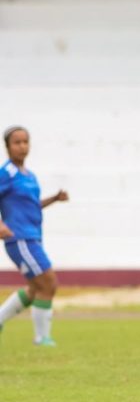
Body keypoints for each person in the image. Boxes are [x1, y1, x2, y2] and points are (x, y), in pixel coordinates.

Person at [0, 126, 68, 346]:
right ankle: (42, 338)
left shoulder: (29, 176)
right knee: (49, 283)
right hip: (20, 239)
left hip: (33, 237)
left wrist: (54, 199)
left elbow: (31, 206)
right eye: (17, 142)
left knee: (34, 289)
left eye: (25, 142)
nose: (22, 146)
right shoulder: (6, 173)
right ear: (7, 147)